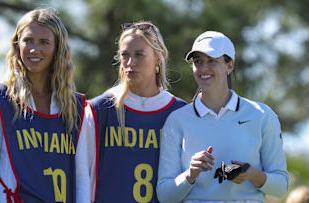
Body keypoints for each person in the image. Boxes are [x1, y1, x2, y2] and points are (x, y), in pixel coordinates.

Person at [157, 31, 289, 202]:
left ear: (229, 66)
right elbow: (165, 196)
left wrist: (251, 174)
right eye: (198, 62)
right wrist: (190, 174)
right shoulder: (177, 120)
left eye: (212, 61)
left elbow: (281, 187)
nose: (203, 68)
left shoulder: (262, 116)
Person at [0, 8, 89, 203]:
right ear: (17, 45)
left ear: (57, 49)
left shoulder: (75, 106)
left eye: (44, 42)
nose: (34, 49)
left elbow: (82, 177)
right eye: (28, 41)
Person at [83, 21, 187, 203]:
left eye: (139, 55)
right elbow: (83, 178)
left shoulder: (181, 113)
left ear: (159, 57)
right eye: (125, 55)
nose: (130, 63)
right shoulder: (98, 110)